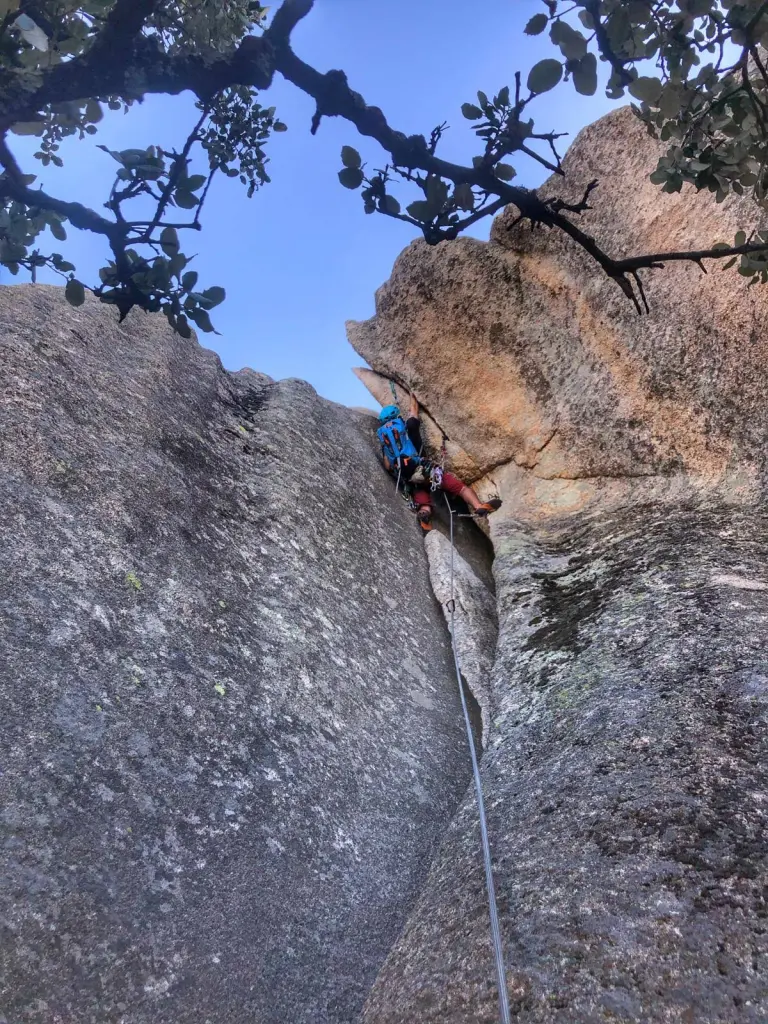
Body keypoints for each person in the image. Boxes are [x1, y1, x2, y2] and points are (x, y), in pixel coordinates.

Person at [377, 391, 502, 531]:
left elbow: (387, 466)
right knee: (460, 488)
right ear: (397, 417)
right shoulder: (409, 426)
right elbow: (413, 410)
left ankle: (425, 516)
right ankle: (478, 506)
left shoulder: (384, 441)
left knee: (423, 499)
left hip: (408, 478)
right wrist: (412, 393)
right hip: (425, 469)